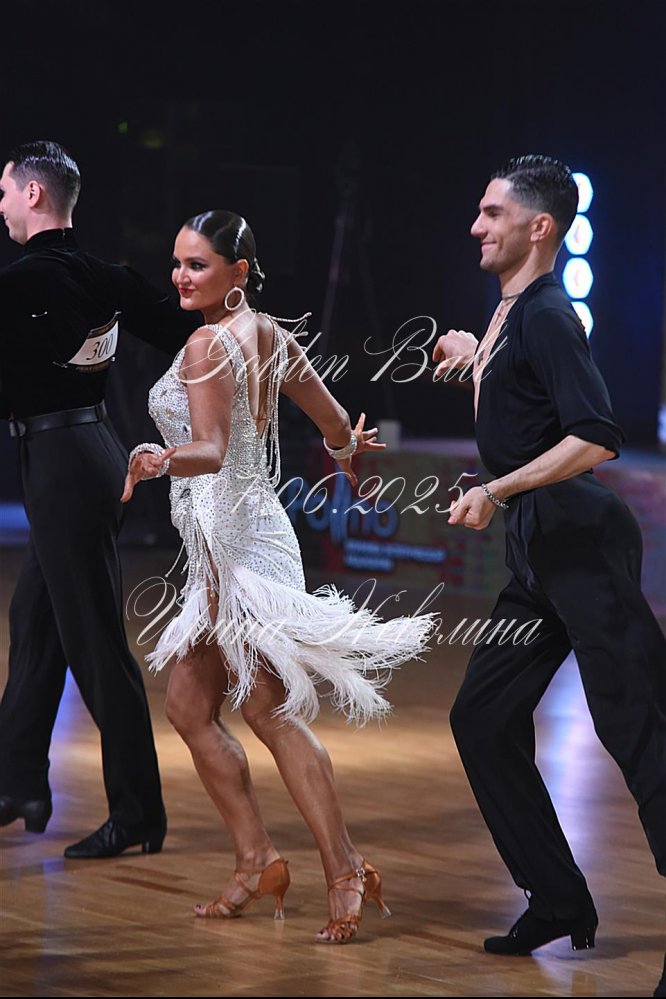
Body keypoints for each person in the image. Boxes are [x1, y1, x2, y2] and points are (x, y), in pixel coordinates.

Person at [121, 209, 434, 942]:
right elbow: (335, 424)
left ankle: (345, 867)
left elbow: (209, 448)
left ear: (238, 270)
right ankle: (256, 859)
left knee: (267, 710)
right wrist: (350, 453)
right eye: (177, 263)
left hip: (237, 549)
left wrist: (155, 458)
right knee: (189, 707)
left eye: (197, 265)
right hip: (235, 541)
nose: (180, 276)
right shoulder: (272, 335)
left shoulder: (206, 342)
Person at [432, 155, 666, 991]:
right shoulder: (512, 312)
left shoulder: (550, 315)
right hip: (541, 552)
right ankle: (558, 896)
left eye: (492, 213)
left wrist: (496, 488)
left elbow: (596, 435)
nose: (476, 225)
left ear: (539, 227)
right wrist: (476, 354)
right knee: (482, 717)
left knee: (640, 733)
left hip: (582, 546)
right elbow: (521, 390)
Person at [0, 140, 201, 858]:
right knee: (36, 624)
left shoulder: (20, 284)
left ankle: (138, 812)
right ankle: (18, 782)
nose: (0, 206)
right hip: (92, 454)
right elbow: (185, 328)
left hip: (64, 466)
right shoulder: (104, 275)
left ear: (33, 195)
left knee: (95, 645)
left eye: (4, 192)